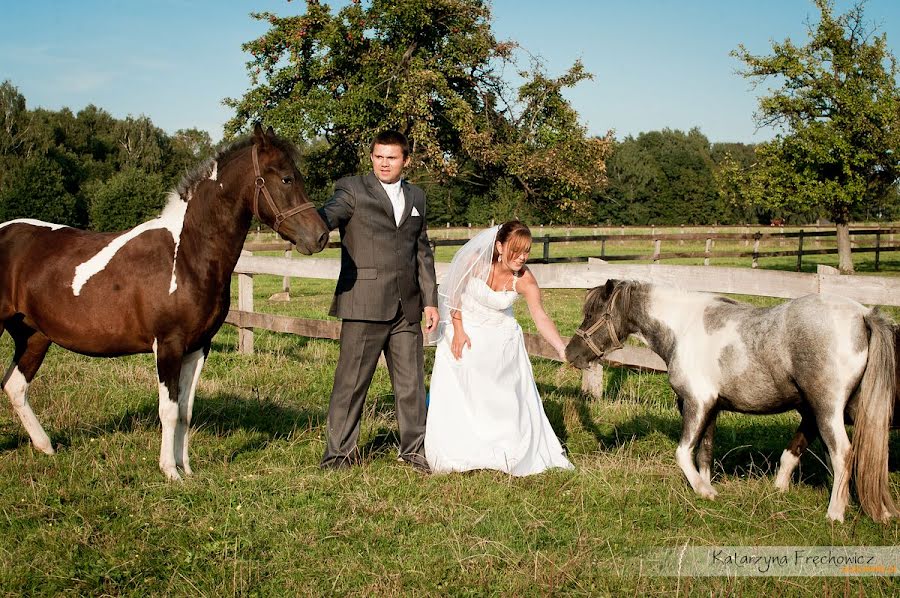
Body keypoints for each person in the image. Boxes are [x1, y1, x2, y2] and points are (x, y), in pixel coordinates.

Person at [318, 130, 439, 472]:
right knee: (351, 385)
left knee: (411, 386)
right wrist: (314, 224)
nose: (384, 163)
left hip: (408, 308)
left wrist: (430, 300)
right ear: (371, 157)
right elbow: (330, 213)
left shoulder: (417, 197)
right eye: (378, 156)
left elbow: (422, 250)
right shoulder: (352, 189)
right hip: (364, 303)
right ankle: (339, 456)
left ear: (406, 161)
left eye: (392, 157)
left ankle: (414, 452)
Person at [424, 220, 574, 475]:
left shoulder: (525, 278)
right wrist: (458, 331)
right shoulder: (476, 261)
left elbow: (540, 316)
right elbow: (453, 293)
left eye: (526, 251)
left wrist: (562, 348)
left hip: (500, 334)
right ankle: (462, 445)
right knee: (462, 370)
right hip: (465, 325)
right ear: (500, 246)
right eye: (516, 251)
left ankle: (503, 447)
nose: (522, 257)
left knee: (504, 391)